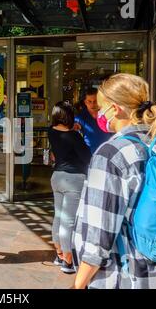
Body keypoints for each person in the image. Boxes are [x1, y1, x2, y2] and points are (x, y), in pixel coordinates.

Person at [72, 73, 156, 289]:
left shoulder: (110, 154)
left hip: (129, 275)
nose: (98, 113)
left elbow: (98, 233)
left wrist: (79, 282)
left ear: (115, 108)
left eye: (101, 107)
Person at [48, 101, 91, 274]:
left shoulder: (51, 132)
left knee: (58, 217)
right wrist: (77, 132)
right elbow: (87, 157)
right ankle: (68, 259)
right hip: (73, 180)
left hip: (56, 177)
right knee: (68, 221)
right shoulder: (74, 137)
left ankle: (59, 253)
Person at [74, 88, 111, 153]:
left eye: (95, 101)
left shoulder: (108, 115)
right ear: (85, 102)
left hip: (109, 152)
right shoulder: (79, 118)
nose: (92, 104)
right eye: (89, 101)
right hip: (90, 155)